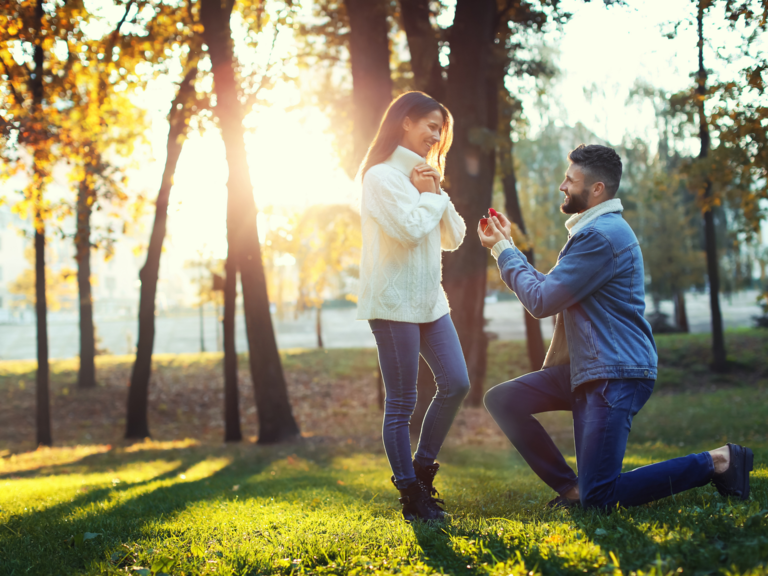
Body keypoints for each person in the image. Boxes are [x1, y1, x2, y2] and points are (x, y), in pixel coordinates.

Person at [476, 144, 753, 510]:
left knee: (601, 499)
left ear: (596, 190)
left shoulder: (601, 236)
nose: (562, 186)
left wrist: (503, 252)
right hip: (588, 369)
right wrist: (507, 246)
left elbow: (541, 301)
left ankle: (718, 461)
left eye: (570, 180)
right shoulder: (594, 232)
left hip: (615, 374)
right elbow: (549, 291)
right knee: (504, 399)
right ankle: (572, 489)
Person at [357, 91, 470, 521]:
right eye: (430, 125)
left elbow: (453, 237)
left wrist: (436, 189)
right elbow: (408, 229)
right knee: (402, 402)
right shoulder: (380, 178)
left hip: (430, 303)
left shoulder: (427, 178)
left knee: (456, 383)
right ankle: (411, 496)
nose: (436, 135)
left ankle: (422, 470)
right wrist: (432, 196)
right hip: (392, 304)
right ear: (405, 121)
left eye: (441, 129)